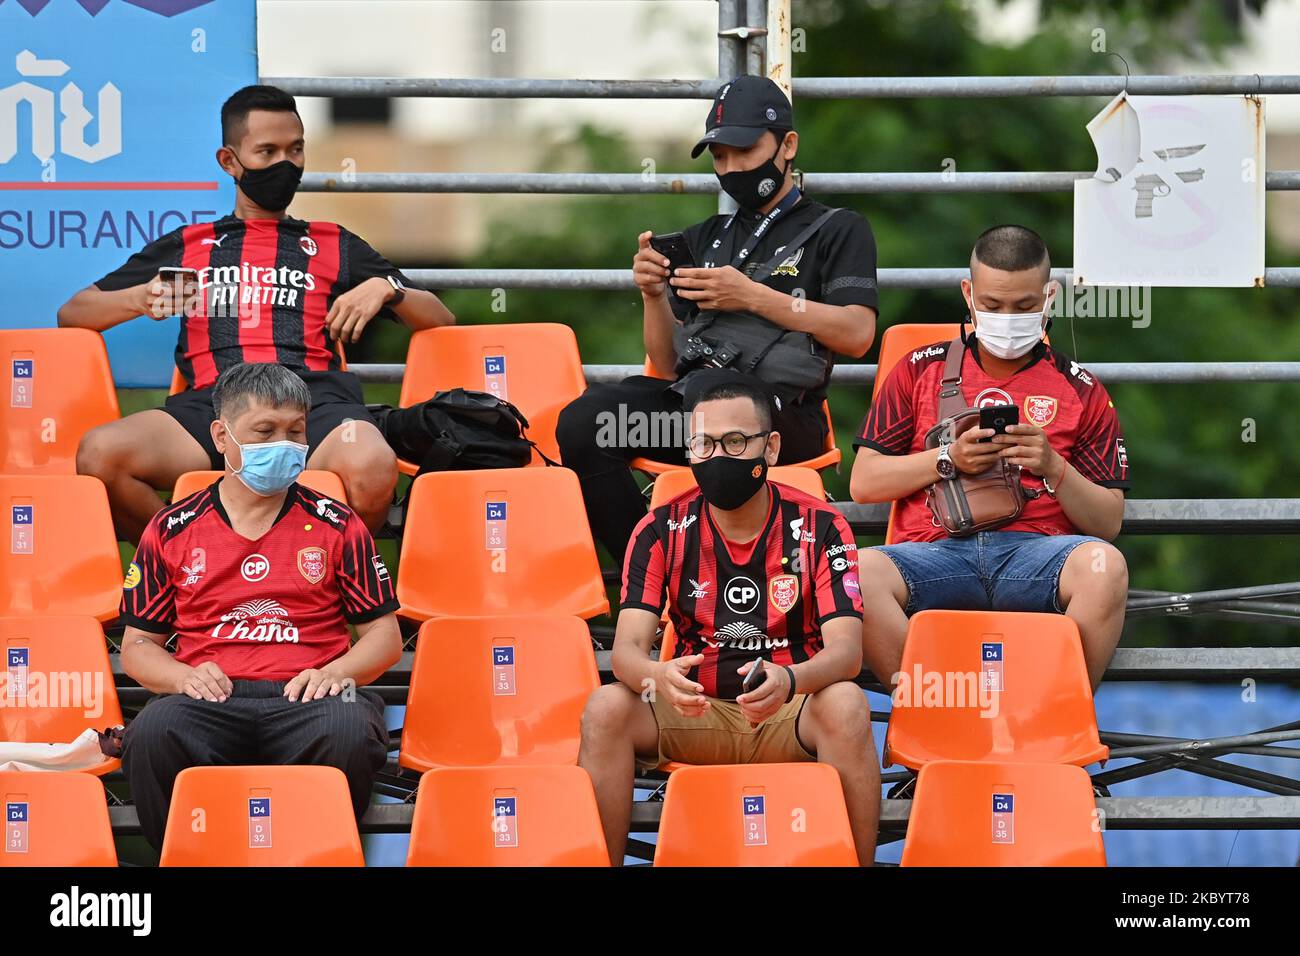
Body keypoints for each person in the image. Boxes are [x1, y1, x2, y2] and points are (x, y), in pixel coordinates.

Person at [58, 84, 455, 540]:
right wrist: (138, 299)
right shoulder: (190, 244)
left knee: (372, 464)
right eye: (267, 151)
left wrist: (385, 289)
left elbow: (440, 320)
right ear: (229, 161)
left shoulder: (333, 242)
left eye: (296, 149)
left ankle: (317, 589)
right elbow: (74, 313)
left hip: (314, 405)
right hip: (211, 407)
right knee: (100, 456)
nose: (285, 164)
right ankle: (197, 570)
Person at [557, 74, 878, 563]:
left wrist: (752, 296)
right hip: (692, 411)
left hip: (781, 419)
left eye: (743, 150)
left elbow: (857, 334)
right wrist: (651, 294)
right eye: (719, 156)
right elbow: (666, 366)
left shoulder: (839, 229)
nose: (730, 167)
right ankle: (648, 582)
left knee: (723, 421)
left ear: (787, 145)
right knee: (586, 423)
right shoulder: (705, 235)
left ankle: (728, 590)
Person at [579, 372, 879, 866]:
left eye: (737, 442)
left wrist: (790, 679)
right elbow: (629, 651)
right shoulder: (659, 528)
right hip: (696, 710)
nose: (719, 458)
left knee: (846, 703)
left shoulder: (823, 526)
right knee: (606, 707)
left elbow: (847, 653)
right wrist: (657, 675)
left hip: (791, 709)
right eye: (704, 443)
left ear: (772, 447)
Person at [118, 362, 401, 852]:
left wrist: (339, 673)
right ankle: (189, 857)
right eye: (265, 431)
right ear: (221, 436)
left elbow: (385, 636)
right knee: (154, 731)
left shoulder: (337, 524)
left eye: (296, 431)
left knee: (349, 727)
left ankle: (317, 857)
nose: (284, 445)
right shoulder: (171, 527)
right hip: (207, 700)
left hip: (309, 701)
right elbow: (139, 644)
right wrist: (181, 678)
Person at [850, 225, 1129, 690]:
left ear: (1049, 297)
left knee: (1106, 568)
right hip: (934, 552)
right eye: (993, 305)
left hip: (1038, 557)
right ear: (968, 293)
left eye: (1023, 306)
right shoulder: (921, 368)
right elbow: (864, 484)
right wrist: (948, 458)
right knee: (856, 573)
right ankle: (932, 714)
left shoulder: (1081, 388)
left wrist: (1054, 466)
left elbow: (1108, 523)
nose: (1007, 317)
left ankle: (1053, 717)